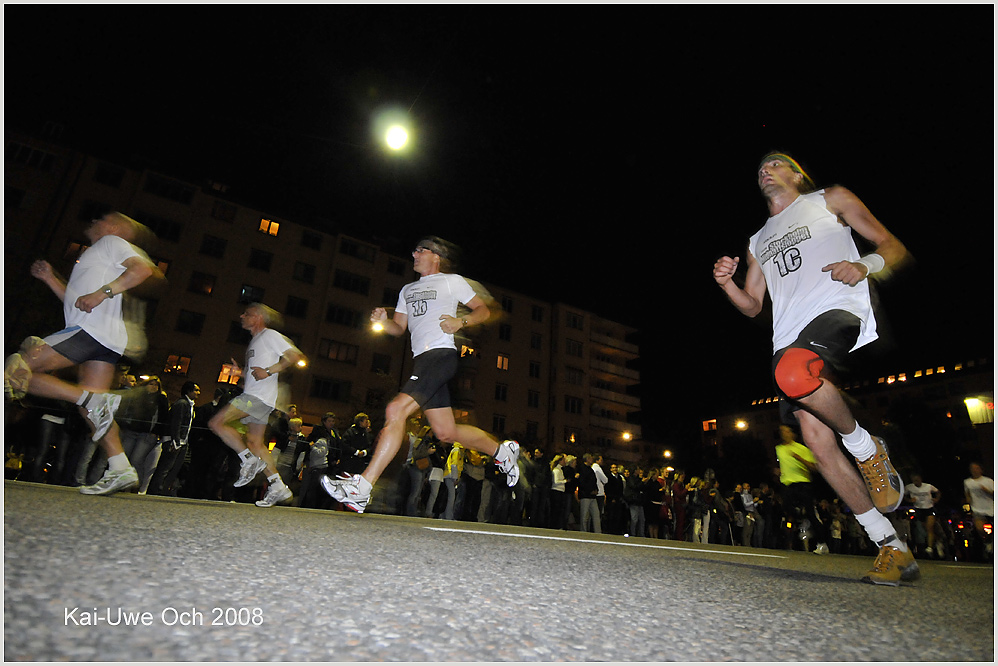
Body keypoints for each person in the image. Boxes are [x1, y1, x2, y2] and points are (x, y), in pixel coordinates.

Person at [713, 152, 917, 585]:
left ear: (796, 174)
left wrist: (865, 265)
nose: (764, 169)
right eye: (759, 168)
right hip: (788, 335)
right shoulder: (758, 239)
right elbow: (753, 306)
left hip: (836, 310)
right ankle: (891, 547)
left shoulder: (831, 198)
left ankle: (867, 448)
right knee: (817, 443)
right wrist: (727, 283)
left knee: (792, 374)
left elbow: (892, 246)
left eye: (774, 163)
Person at [321, 237, 519, 513]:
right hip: (421, 361)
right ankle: (501, 451)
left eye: (420, 250)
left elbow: (484, 310)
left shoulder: (453, 281)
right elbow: (398, 328)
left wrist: (460, 322)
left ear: (436, 256)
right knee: (446, 432)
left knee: (396, 409)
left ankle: (362, 487)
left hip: (441, 356)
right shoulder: (407, 290)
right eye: (414, 250)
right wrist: (383, 322)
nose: (414, 254)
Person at [5, 212, 164, 495]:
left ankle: (89, 397)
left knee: (18, 368)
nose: (94, 221)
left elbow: (142, 270)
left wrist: (103, 293)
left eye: (101, 219)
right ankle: (120, 468)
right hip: (104, 339)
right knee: (92, 412)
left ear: (115, 227)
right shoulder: (95, 256)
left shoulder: (110, 242)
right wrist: (49, 278)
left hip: (90, 331)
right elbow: (76, 300)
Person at [207, 303, 306, 508]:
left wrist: (269, 371)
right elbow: (256, 374)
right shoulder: (255, 341)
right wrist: (241, 373)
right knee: (255, 443)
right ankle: (277, 485)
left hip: (256, 398)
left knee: (216, 423)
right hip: (260, 397)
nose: (241, 315)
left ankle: (248, 460)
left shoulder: (269, 335)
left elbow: (296, 357)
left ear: (258, 317)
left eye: (247, 314)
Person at [149, 381, 200, 496]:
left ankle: (163, 489)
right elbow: (176, 423)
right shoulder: (182, 404)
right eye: (196, 390)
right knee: (166, 467)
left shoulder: (189, 405)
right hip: (175, 440)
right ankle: (156, 489)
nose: (198, 393)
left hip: (182, 441)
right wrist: (176, 441)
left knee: (173, 468)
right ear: (189, 391)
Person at [904, 473, 941, 558]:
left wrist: (936, 499)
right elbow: (904, 496)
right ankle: (937, 541)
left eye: (917, 479)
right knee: (925, 529)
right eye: (914, 480)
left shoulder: (928, 486)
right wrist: (910, 500)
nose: (916, 481)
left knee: (930, 528)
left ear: (920, 479)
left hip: (929, 508)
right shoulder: (909, 487)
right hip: (919, 509)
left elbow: (938, 492)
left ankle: (930, 547)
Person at [963, 462, 994, 558]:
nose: (974, 470)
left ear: (981, 470)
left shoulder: (988, 481)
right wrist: (968, 501)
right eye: (972, 468)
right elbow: (967, 493)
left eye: (976, 468)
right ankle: (988, 542)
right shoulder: (967, 482)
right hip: (977, 509)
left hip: (991, 508)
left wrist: (987, 491)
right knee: (980, 529)